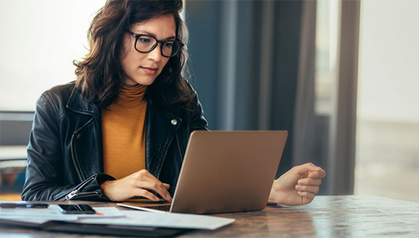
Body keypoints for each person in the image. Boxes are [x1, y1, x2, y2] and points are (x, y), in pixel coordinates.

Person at [21, 0, 326, 206]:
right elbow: (35, 195)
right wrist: (105, 189)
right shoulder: (58, 105)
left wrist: (270, 190)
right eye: (145, 40)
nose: (157, 56)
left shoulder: (179, 100)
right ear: (113, 36)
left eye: (168, 44)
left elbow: (208, 177)